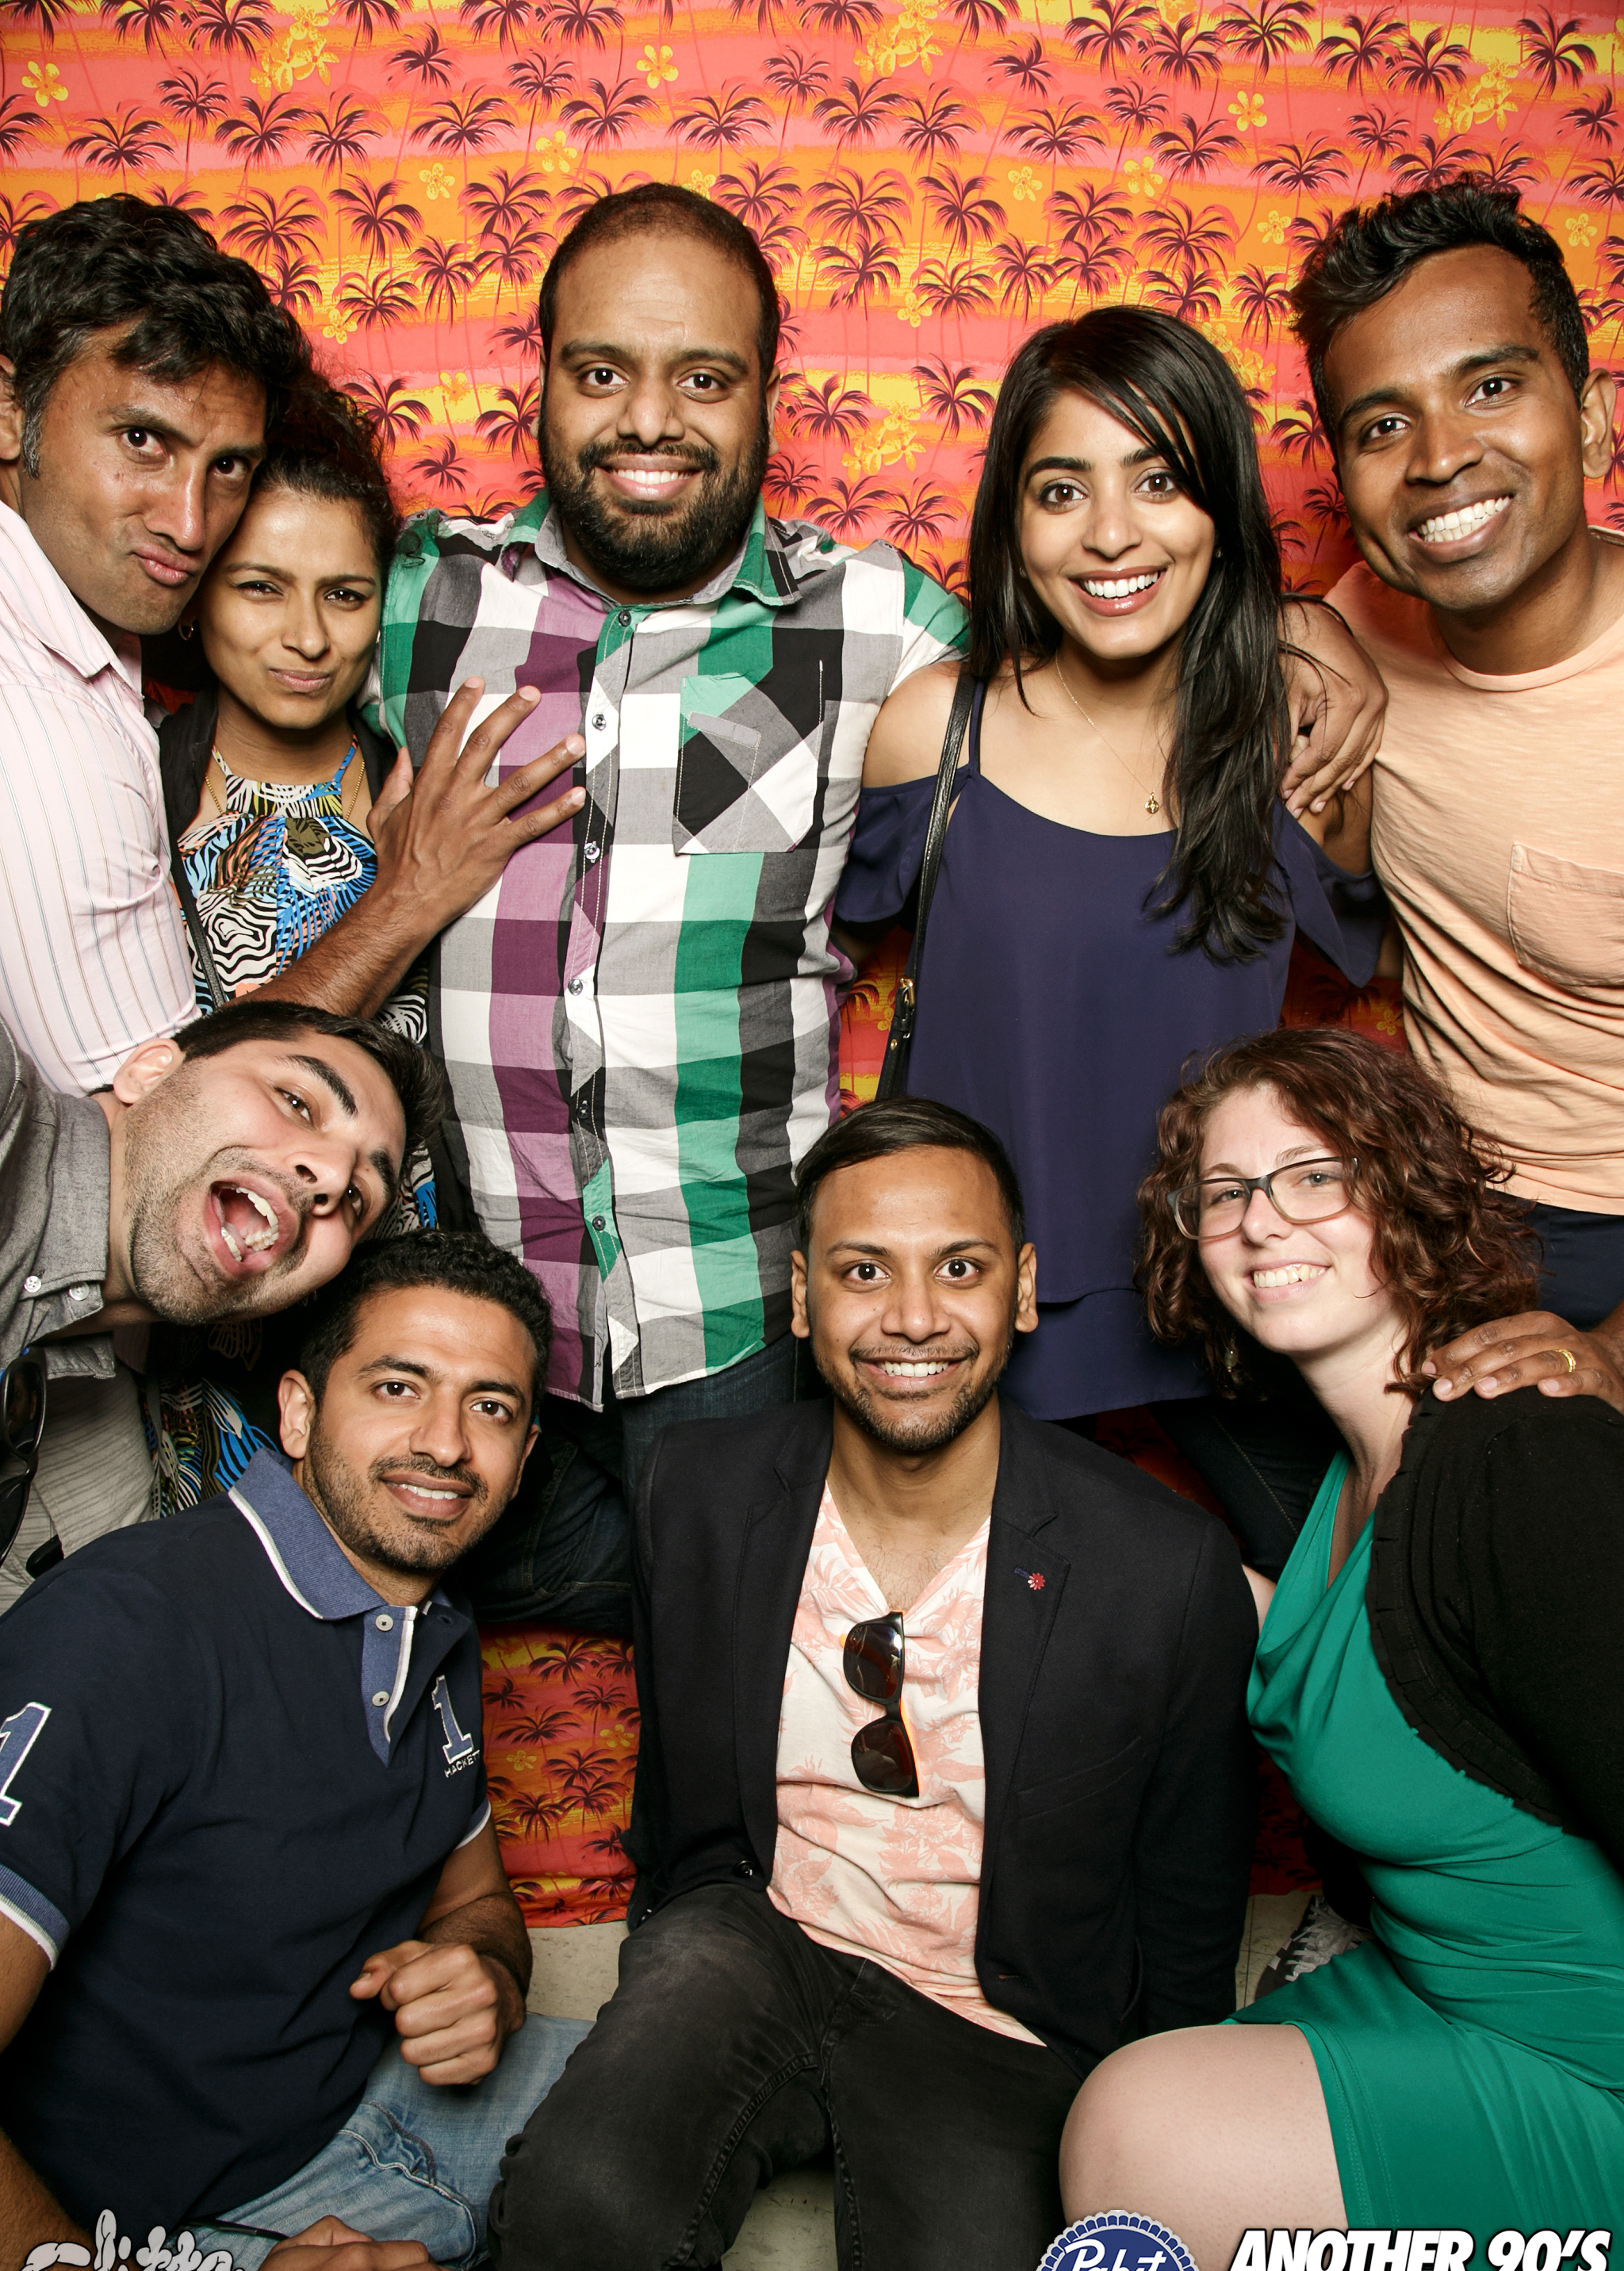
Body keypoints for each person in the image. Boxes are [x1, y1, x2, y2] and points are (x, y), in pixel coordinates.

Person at [371, 184, 1385, 1623]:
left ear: (765, 393)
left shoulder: (878, 626)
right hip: (540, 1279)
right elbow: (257, 614)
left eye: (702, 377)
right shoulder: (417, 596)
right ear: (538, 372)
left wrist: (1302, 618)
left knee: (1341, 1594)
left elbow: (1118, 627)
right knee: (813, 1606)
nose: (649, 418)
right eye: (599, 370)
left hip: (766, 1287)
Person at [485, 1098, 1258, 2271]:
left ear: (1021, 1289)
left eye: (958, 1266)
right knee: (571, 2222)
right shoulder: (698, 1489)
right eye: (861, 1269)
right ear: (802, 1298)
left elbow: (1187, 1906)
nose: (910, 1317)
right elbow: (679, 1778)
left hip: (1002, 2030)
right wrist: (671, 1950)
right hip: (758, 1939)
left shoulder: (1160, 1567)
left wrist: (1140, 2154)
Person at [0, 1228, 771, 2271]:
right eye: (399, 1386)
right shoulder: (125, 1632)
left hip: (362, 2111)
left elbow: (474, 1903)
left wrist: (483, 1973)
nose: (445, 1445)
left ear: (525, 1454)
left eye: (492, 1407)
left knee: (702, 2088)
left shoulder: (428, 1622)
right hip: (145, 2250)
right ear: (299, 1411)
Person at [1059, 1028, 1624, 2271]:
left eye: (1312, 1176)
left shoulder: (1517, 1451)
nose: (1262, 1221)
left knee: (1141, 2131)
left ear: (1407, 1190)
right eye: (1224, 1191)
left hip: (1586, 2061)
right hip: (1435, 1998)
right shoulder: (1345, 1482)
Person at [838, 308, 1388, 1574]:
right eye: (1061, 489)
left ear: (1221, 509)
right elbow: (824, 956)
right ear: (1013, 519)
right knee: (1008, 1650)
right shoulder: (937, 732)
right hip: (986, 1305)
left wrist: (1306, 622)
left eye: (1159, 480)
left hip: (1233, 1291)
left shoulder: (1296, 742)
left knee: (1380, 1596)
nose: (1110, 534)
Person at [144, 370, 598, 1534]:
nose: (307, 637)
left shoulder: (425, 778)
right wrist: (400, 900)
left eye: (344, 595)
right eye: (260, 587)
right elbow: (155, 1095)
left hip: (415, 1318)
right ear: (198, 595)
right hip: (225, 1320)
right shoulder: (139, 791)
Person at [1293, 176, 1624, 1419]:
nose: (1439, 458)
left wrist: (1615, 1356)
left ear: (1590, 423)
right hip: (1454, 1213)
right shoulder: (1356, 634)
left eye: (1491, 388)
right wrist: (1284, 622)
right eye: (1384, 425)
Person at [0, 197, 306, 1098]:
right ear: (10, 411)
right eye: (142, 440)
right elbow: (158, 1132)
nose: (189, 524)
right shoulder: (44, 721)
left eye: (228, 467)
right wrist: (407, 899)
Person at [0, 994, 439, 1607]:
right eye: (297, 1103)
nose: (334, 1177)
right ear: (150, 1071)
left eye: (357, 1199)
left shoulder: (94, 1471)